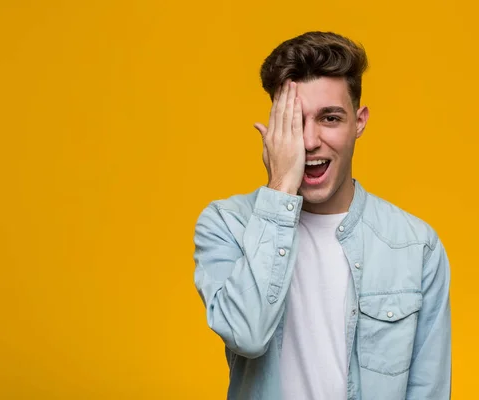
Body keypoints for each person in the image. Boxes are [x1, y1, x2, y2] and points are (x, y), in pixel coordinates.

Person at [193, 31, 451, 400]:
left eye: (329, 118)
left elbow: (429, 391)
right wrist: (280, 186)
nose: (310, 140)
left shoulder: (416, 246)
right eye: (294, 121)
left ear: (359, 122)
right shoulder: (226, 225)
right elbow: (246, 334)